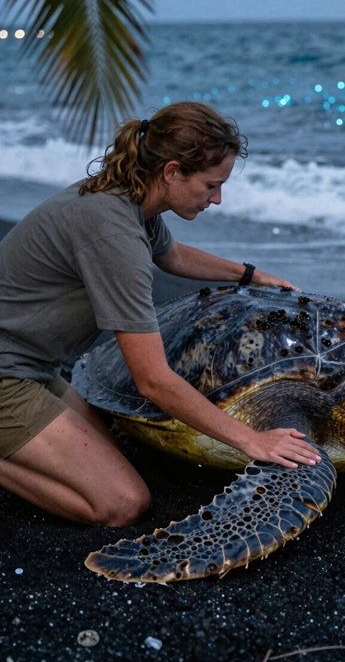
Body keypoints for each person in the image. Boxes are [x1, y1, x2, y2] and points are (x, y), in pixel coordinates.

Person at [0, 101, 321, 527]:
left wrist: (252, 275)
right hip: (6, 375)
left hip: (33, 367)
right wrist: (253, 440)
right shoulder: (113, 234)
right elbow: (152, 380)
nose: (218, 198)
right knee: (121, 502)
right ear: (171, 172)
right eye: (211, 185)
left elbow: (170, 255)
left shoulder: (128, 199)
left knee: (113, 441)